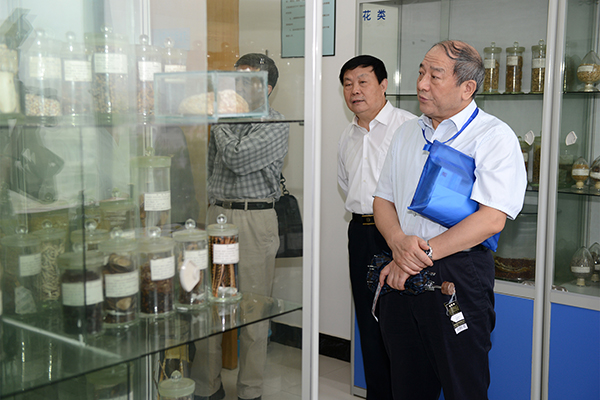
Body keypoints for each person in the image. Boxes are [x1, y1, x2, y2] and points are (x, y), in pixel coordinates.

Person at [372, 40, 527, 400]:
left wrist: (417, 255)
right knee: (406, 385)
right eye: (421, 72)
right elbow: (382, 199)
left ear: (467, 87)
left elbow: (491, 219)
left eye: (435, 76)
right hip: (402, 266)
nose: (422, 84)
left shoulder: (492, 136)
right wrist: (398, 243)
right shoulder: (407, 132)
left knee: (463, 386)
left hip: (458, 272)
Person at [190, 53, 290, 400]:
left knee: (252, 310)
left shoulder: (275, 122)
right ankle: (206, 386)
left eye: (248, 79)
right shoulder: (226, 120)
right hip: (217, 214)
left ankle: (250, 390)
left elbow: (236, 158)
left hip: (254, 219)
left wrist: (218, 120)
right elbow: (213, 168)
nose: (236, 86)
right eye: (235, 78)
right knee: (208, 305)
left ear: (268, 87)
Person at [337, 55, 416, 400]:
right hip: (360, 234)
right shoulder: (347, 136)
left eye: (363, 82)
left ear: (384, 85)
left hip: (398, 234)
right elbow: (346, 184)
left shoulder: (408, 127)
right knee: (368, 324)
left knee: (402, 325)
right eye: (348, 84)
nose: (354, 90)